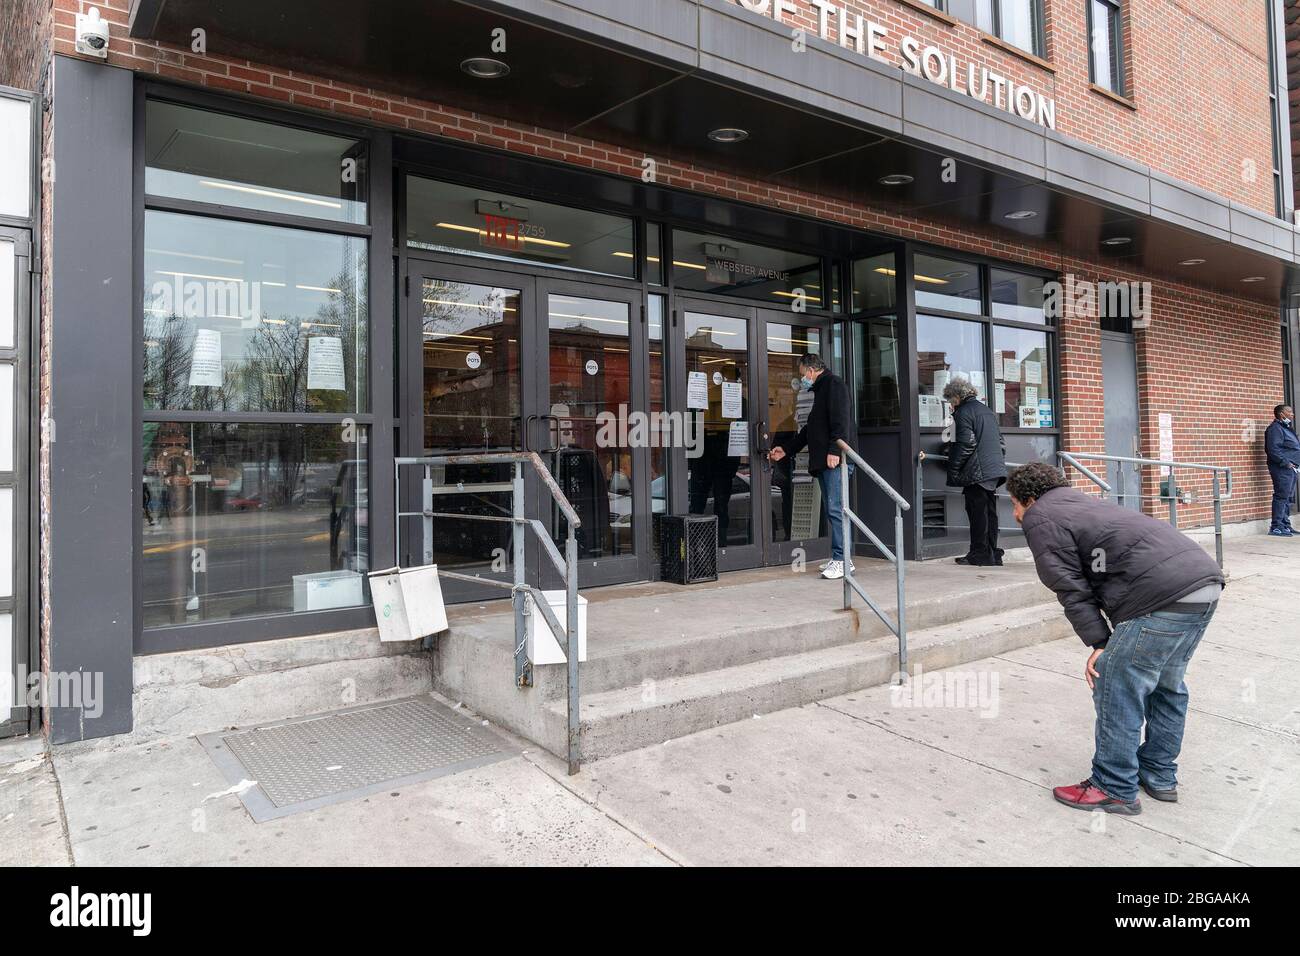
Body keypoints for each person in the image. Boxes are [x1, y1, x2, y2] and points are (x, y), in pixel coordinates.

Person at [1006, 462, 1225, 815]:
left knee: (1116, 687)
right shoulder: (1084, 503)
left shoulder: (1041, 517)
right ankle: (1158, 773)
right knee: (1167, 686)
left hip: (1161, 598)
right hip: (1204, 585)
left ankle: (1113, 785)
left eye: (1013, 503)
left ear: (1029, 499)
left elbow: (1069, 587)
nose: (1014, 513)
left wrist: (1101, 643)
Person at [769, 353, 854, 580]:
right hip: (826, 463)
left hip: (835, 461)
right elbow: (809, 431)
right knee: (833, 510)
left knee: (837, 510)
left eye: (802, 375)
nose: (802, 380)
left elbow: (841, 420)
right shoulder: (820, 391)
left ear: (810, 370)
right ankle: (842, 558)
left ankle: (841, 560)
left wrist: (835, 451)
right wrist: (786, 449)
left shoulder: (833, 385)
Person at [942, 377, 1007, 566]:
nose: (950, 403)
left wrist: (953, 471)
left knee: (978, 514)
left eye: (950, 399)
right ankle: (993, 553)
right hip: (993, 470)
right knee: (989, 513)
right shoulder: (987, 411)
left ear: (956, 396)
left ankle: (980, 555)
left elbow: (965, 445)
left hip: (977, 472)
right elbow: (1001, 444)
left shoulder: (963, 413)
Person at [1264, 403, 1300, 537]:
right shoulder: (1275, 429)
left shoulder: (1286, 428)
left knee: (1288, 497)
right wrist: (1286, 463)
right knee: (1281, 496)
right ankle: (1276, 527)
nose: (1292, 414)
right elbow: (1273, 450)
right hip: (1282, 468)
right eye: (1289, 412)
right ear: (1281, 414)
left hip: (1292, 468)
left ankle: (1285, 524)